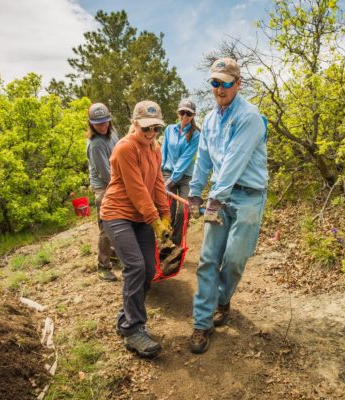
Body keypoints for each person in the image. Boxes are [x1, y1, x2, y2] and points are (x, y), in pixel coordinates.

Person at [187, 58, 268, 354]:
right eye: (214, 83)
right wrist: (196, 192)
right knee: (208, 258)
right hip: (218, 197)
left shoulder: (250, 117)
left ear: (238, 84)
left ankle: (223, 299)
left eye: (224, 83)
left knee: (234, 259)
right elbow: (204, 158)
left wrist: (213, 199)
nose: (218, 89)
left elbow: (234, 161)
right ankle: (202, 321)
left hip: (247, 196)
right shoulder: (209, 119)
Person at [101, 100, 172, 358]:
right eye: (145, 128)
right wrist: (154, 220)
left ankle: (125, 319)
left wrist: (165, 215)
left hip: (141, 215)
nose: (151, 133)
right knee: (135, 266)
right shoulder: (124, 148)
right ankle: (133, 330)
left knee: (150, 269)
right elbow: (137, 190)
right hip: (117, 214)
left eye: (155, 128)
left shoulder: (155, 148)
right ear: (133, 124)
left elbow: (156, 183)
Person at [86, 102, 119, 282]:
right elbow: (105, 173)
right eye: (98, 123)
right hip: (104, 187)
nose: (103, 126)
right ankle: (103, 265)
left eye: (105, 121)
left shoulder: (113, 134)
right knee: (106, 227)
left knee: (120, 223)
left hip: (116, 182)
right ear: (91, 124)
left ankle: (114, 255)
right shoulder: (96, 144)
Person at [161, 98, 200, 246]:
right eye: (182, 112)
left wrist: (171, 181)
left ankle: (176, 244)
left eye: (188, 114)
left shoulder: (196, 134)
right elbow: (163, 153)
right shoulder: (169, 129)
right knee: (167, 211)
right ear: (178, 113)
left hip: (185, 177)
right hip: (167, 173)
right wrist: (161, 175)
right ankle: (164, 241)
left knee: (183, 212)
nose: (184, 116)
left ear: (193, 115)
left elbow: (185, 160)